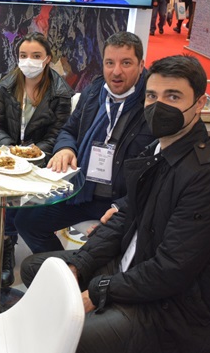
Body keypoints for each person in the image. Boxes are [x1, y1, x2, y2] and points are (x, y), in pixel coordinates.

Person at [21, 55, 210, 353]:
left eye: (173, 96)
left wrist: (97, 292)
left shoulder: (208, 177)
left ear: (200, 103)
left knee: (70, 337)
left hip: (172, 309)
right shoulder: (158, 149)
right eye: (152, 96)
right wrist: (81, 264)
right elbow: (124, 216)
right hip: (132, 268)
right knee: (37, 269)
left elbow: (171, 270)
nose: (158, 106)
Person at [14, 32, 154, 253]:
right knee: (26, 220)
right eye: (110, 63)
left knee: (101, 250)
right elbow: (69, 129)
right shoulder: (94, 91)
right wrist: (65, 148)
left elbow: (155, 176)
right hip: (81, 191)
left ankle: (79, 269)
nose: (116, 71)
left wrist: (123, 207)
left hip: (121, 201)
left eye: (126, 63)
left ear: (141, 65)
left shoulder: (151, 103)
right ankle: (60, 267)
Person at [0, 32, 75, 286]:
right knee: (1, 187)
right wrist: (10, 149)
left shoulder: (61, 92)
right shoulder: (6, 85)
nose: (28, 61)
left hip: (42, 161)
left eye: (36, 55)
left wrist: (30, 154)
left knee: (15, 190)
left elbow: (58, 133)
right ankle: (4, 243)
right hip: (7, 156)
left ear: (48, 59)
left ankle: (4, 246)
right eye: (23, 55)